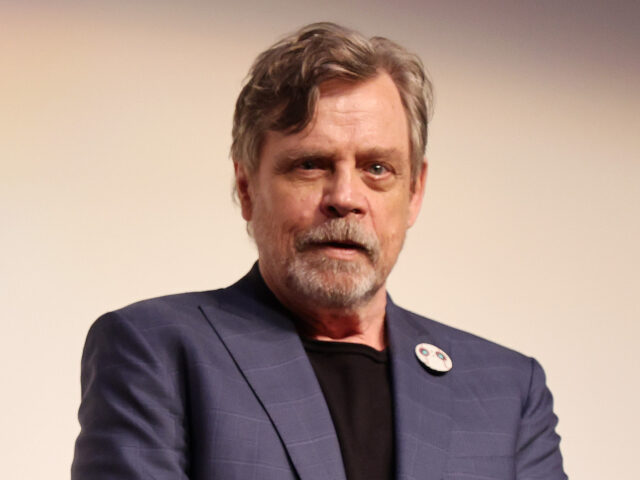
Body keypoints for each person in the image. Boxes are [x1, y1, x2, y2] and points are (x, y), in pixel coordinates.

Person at [72, 22, 567, 480]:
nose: (345, 198)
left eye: (377, 168)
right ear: (247, 188)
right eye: (310, 164)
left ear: (414, 192)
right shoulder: (156, 349)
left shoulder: (507, 390)